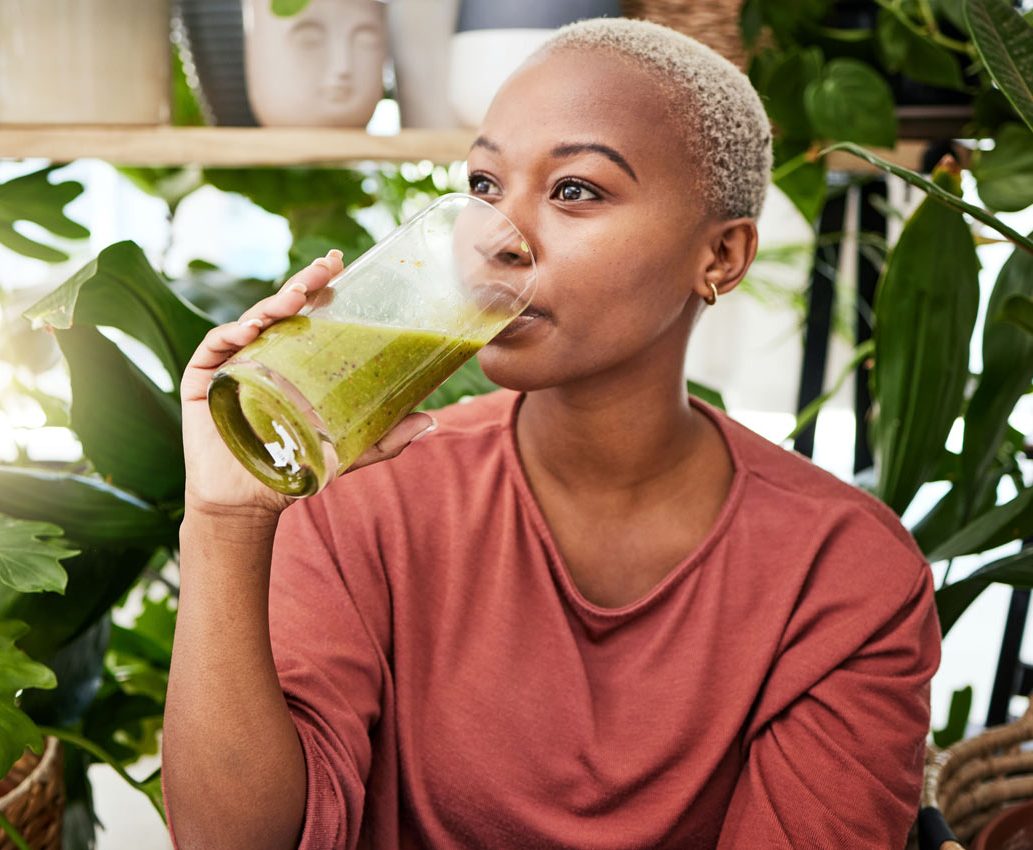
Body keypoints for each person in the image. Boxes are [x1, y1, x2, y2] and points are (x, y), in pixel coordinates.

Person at [162, 17, 941, 850]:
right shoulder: (361, 489)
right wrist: (225, 521)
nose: (497, 239)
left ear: (720, 256)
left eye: (575, 190)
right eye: (485, 186)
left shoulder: (845, 578)